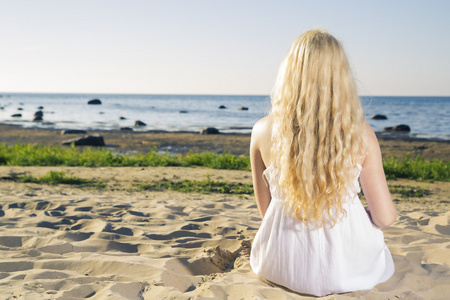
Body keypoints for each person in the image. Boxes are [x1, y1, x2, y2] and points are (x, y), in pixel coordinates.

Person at [249, 29, 397, 297]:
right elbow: (385, 218)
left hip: (279, 263)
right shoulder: (360, 134)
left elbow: (266, 213)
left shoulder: (261, 131)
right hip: (346, 269)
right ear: (341, 77)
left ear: (290, 73)